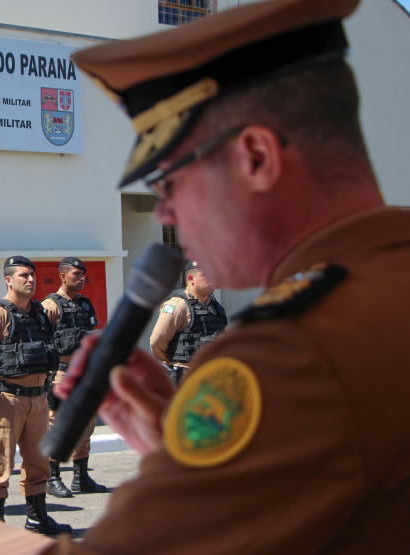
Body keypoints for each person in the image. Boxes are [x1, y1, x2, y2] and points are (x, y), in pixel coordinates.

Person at [52, 0, 410, 551]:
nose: (165, 213)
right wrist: (188, 454)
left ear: (257, 158)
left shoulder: (293, 354)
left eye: (170, 180)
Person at [0, 256, 70, 536]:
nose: (31, 279)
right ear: (8, 280)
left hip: (38, 399)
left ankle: (37, 518)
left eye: (32, 274)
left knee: (38, 461)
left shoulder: (40, 313)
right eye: (24, 275)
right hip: (8, 399)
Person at [41, 257, 106, 498]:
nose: (81, 278)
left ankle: (81, 477)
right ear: (62, 276)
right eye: (76, 274)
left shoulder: (85, 305)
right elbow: (44, 342)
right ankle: (53, 477)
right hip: (62, 374)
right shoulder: (50, 305)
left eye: (83, 274)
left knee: (86, 425)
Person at [148, 260, 227, 386]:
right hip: (187, 378)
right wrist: (172, 361)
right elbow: (157, 341)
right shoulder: (178, 305)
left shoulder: (215, 307)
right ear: (191, 278)